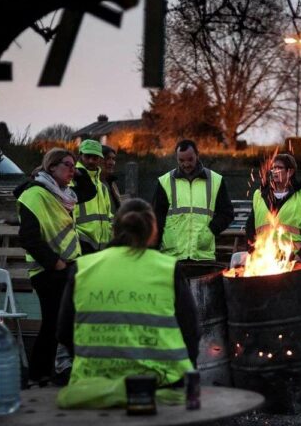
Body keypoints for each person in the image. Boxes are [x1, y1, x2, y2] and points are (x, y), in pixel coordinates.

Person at [56, 198, 199, 407]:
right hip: (160, 388)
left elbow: (63, 332)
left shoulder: (83, 268)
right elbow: (190, 332)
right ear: (153, 232)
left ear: (114, 230)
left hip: (93, 389)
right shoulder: (168, 268)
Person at [14, 148, 95, 385]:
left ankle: (46, 374)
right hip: (49, 271)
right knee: (53, 325)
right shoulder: (35, 194)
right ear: (51, 167)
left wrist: (77, 170)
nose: (73, 170)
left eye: (73, 166)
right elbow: (28, 238)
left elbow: (89, 191)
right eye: (68, 166)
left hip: (66, 268)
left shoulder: (63, 193)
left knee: (61, 324)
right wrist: (56, 263)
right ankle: (39, 375)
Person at [153, 139, 234, 262]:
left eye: (190, 159)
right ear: (176, 158)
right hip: (171, 257)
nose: (186, 164)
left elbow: (227, 213)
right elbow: (156, 219)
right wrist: (153, 250)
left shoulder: (216, 181)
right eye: (181, 160)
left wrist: (211, 230)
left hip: (203, 257)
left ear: (197, 155)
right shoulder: (164, 182)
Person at [245, 153, 301, 262]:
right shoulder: (259, 195)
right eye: (273, 168)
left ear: (290, 172)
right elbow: (250, 227)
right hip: (263, 259)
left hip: (292, 259)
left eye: (279, 168)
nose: (275, 171)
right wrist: (252, 250)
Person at [74, 139, 113, 254]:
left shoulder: (102, 188)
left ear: (100, 159)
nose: (91, 161)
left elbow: (108, 216)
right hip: (79, 246)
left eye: (95, 157)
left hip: (101, 247)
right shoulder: (70, 182)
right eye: (87, 156)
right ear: (80, 156)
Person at [101, 145, 122, 213]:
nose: (111, 163)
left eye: (113, 159)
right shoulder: (91, 183)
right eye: (107, 158)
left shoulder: (111, 183)